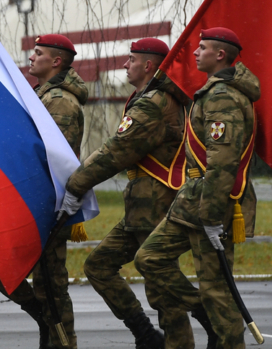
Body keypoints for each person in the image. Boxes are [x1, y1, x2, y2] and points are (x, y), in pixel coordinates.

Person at [58, 38, 191, 349]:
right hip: (141, 205)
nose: (125, 64)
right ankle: (146, 334)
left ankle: (187, 334)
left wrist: (76, 185)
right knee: (99, 266)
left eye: (131, 59)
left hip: (155, 204)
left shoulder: (153, 102)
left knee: (161, 286)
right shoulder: (149, 97)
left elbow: (116, 151)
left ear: (148, 65)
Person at [134, 28, 260, 349]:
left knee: (217, 290)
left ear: (220, 55)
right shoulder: (213, 92)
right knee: (150, 258)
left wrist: (212, 216)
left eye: (202, 48)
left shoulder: (222, 97)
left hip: (211, 205)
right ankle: (203, 308)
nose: (194, 52)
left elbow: (222, 162)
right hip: (193, 202)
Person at [0, 33, 87, 349]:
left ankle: (62, 341)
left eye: (38, 53)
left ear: (56, 61)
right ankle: (43, 318)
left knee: (51, 284)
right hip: (30, 199)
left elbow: (54, 159)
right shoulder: (42, 95)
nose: (31, 57)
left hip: (47, 203)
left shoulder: (60, 101)